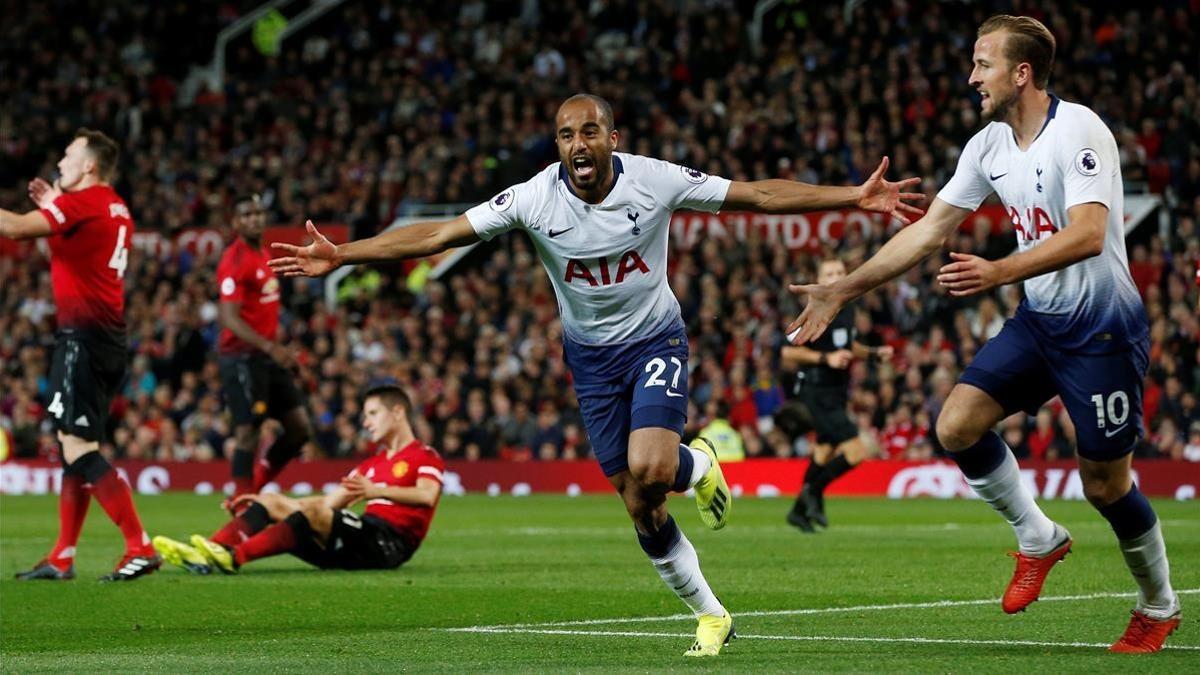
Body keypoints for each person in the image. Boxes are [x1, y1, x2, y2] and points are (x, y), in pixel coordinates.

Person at [269, 93, 923, 657]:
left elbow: (754, 194)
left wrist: (852, 195)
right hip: (589, 360)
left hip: (655, 338)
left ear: (613, 139)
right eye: (565, 134)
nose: (577, 143)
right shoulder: (532, 197)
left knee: (653, 464)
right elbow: (440, 234)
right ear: (557, 146)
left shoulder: (654, 179)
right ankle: (711, 611)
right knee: (640, 503)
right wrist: (346, 254)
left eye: (588, 131)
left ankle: (692, 464)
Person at [787, 15, 1180, 652]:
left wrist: (998, 270)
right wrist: (843, 288)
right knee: (956, 425)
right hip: (1041, 322)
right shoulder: (987, 145)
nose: (972, 77)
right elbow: (929, 231)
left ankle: (1158, 606)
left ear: (1021, 73)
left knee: (1105, 484)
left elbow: (1085, 234)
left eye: (983, 64)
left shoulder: (1078, 130)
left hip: (1103, 330)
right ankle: (1037, 536)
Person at [2, 129, 160, 581]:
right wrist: (55, 205)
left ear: (89, 165)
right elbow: (73, 244)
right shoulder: (114, 205)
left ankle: (140, 545)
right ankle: (62, 555)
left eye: (68, 156)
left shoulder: (80, 204)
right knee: (74, 449)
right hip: (108, 340)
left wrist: (55, 207)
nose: (60, 163)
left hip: (82, 341)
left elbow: (14, 228)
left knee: (77, 447)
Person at [153, 383, 442, 573]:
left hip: (388, 544)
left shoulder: (424, 456)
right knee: (271, 501)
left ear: (398, 411)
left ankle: (233, 556)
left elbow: (427, 495)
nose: (366, 423)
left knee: (308, 512)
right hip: (356, 542)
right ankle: (203, 553)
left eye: (372, 414)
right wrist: (273, 503)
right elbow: (329, 504)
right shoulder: (372, 464)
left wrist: (376, 490)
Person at [781, 257, 892, 532]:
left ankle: (798, 511)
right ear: (819, 280)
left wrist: (874, 354)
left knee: (824, 450)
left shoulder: (847, 308)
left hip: (836, 391)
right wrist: (826, 359)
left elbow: (848, 345)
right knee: (856, 451)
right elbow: (788, 352)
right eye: (829, 272)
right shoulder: (813, 307)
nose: (836, 275)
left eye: (840, 271)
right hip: (816, 391)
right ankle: (813, 494)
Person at [215, 193, 312, 496]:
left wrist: (279, 350)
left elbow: (262, 313)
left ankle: (251, 490)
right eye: (247, 214)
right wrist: (272, 348)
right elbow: (229, 319)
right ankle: (244, 504)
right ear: (236, 222)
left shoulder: (265, 254)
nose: (254, 219)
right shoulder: (235, 259)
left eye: (258, 213)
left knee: (299, 430)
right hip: (241, 358)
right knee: (248, 433)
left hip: (268, 356)